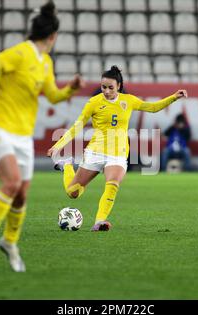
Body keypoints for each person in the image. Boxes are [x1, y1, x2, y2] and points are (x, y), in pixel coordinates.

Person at [0, 1, 84, 272]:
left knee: (21, 195)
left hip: (23, 137)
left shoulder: (45, 63)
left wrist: (70, 89)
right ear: (53, 36)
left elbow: (53, 95)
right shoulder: (19, 53)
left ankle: (10, 243)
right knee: (10, 184)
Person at [47, 66, 187, 231]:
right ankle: (67, 164)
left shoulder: (128, 100)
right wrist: (58, 146)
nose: (106, 91)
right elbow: (77, 126)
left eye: (110, 87)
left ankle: (100, 221)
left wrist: (173, 97)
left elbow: (153, 107)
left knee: (112, 184)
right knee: (73, 192)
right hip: (95, 151)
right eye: (103, 87)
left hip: (118, 154)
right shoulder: (94, 102)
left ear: (119, 86)